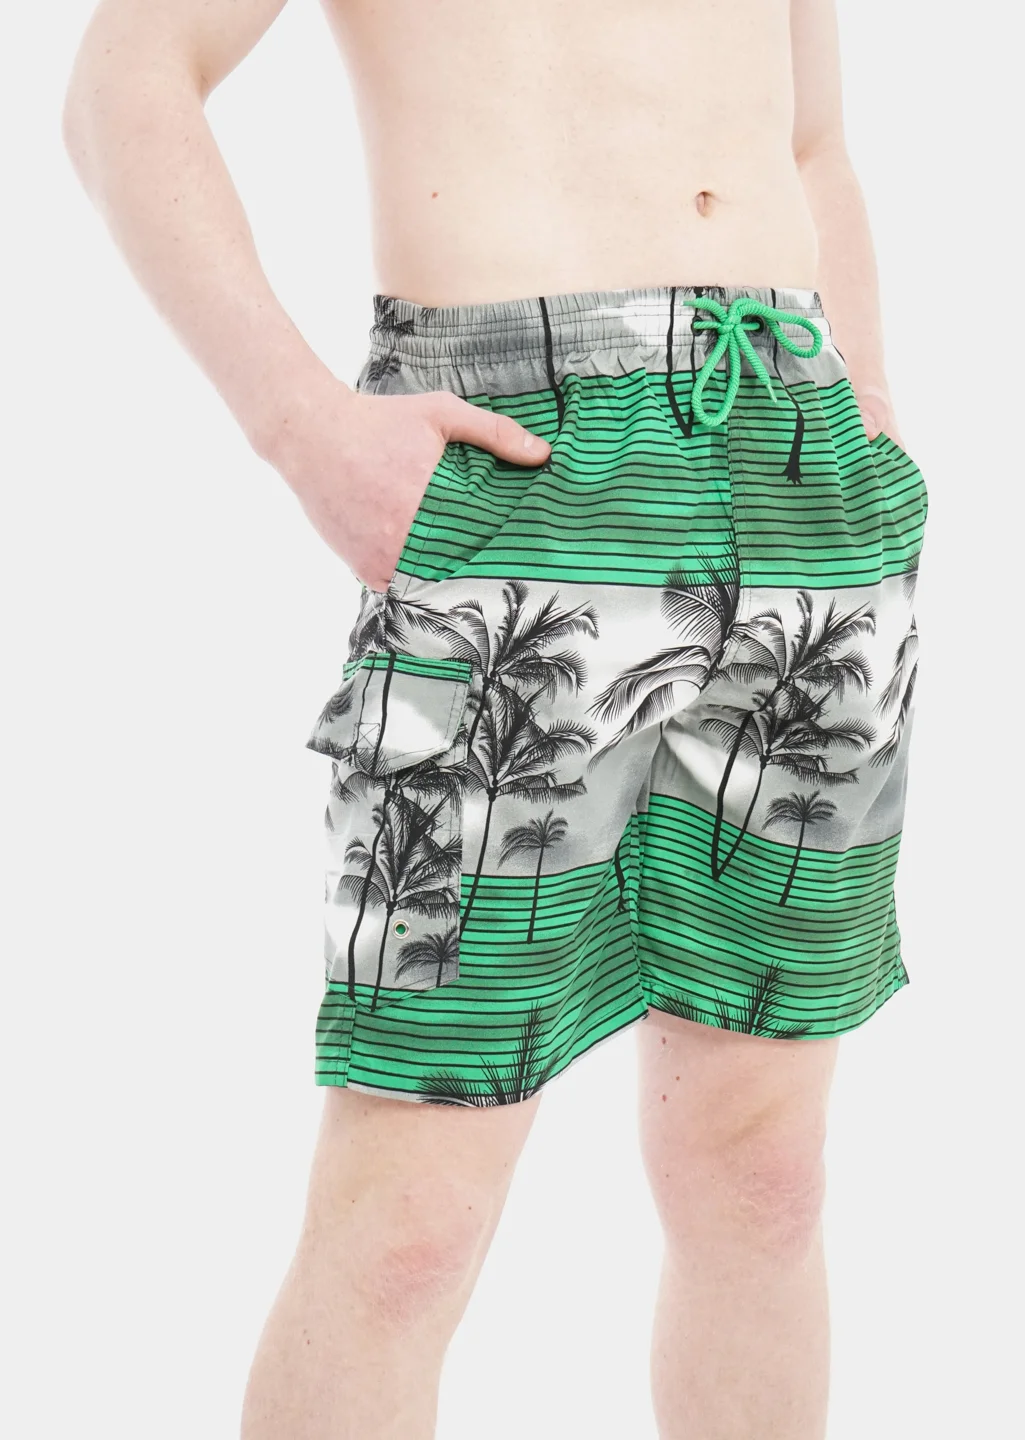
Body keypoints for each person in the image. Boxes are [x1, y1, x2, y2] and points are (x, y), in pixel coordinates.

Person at [62, 1, 927, 1435]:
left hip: (797, 466)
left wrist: (872, 406)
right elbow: (126, 79)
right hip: (524, 469)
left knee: (764, 1174)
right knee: (410, 1215)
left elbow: (814, 140)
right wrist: (300, 426)